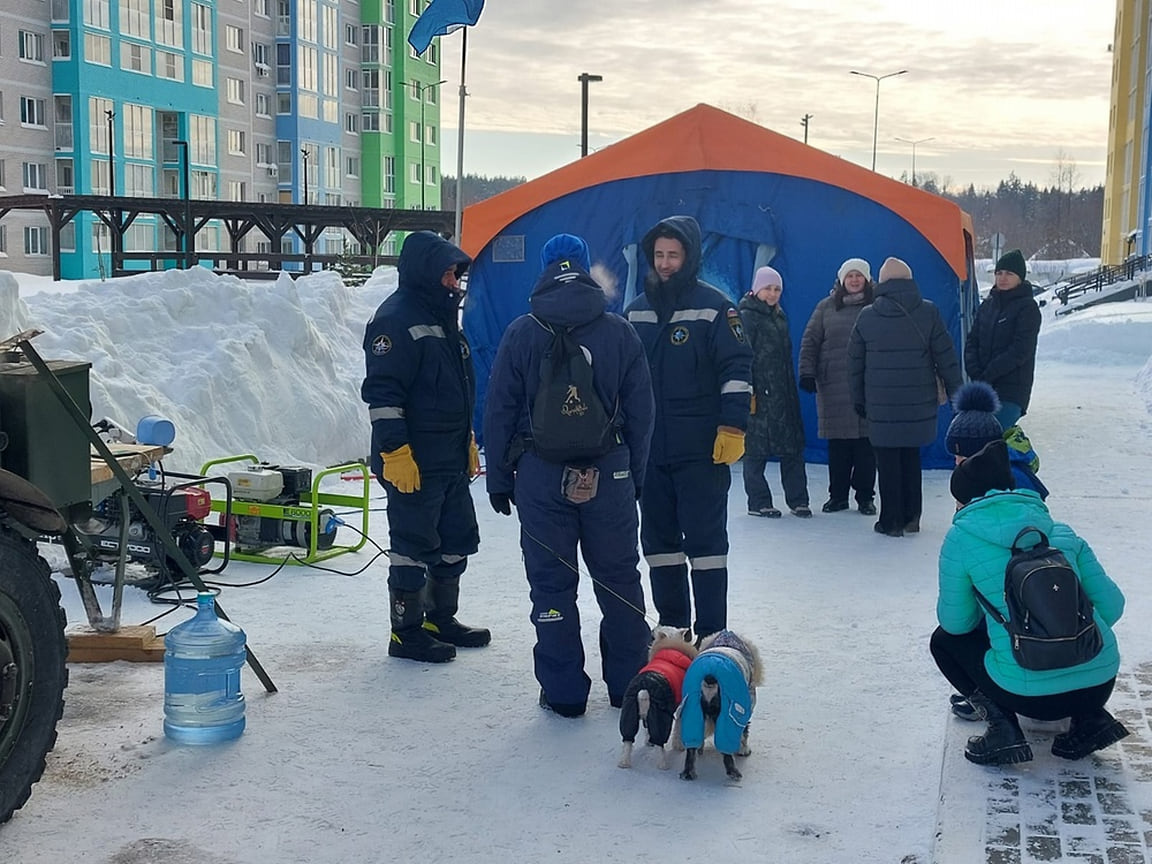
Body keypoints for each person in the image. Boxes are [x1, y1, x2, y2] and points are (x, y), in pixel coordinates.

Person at [483, 233, 655, 717]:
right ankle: (629, 687)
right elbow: (643, 413)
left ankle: (563, 693)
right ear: (585, 269)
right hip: (610, 473)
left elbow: (498, 409)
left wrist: (500, 476)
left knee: (551, 586)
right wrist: (633, 476)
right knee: (620, 580)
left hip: (540, 476)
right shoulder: (619, 331)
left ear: (543, 270)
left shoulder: (521, 331)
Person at [930, 440, 1128, 766]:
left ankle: (1003, 728)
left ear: (964, 499)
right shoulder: (1060, 531)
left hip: (1028, 697)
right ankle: (1091, 720)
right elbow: (1112, 606)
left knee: (943, 641)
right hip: (1099, 684)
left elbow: (956, 624)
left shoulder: (962, 539)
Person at [361, 231, 490, 663]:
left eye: (457, 274)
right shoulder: (395, 321)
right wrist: (395, 452)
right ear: (427, 272)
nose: (456, 281)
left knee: (456, 540)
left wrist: (467, 438)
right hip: (413, 462)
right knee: (412, 546)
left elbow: (455, 389)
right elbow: (383, 395)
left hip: (449, 458)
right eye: (451, 273)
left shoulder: (442, 320)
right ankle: (407, 631)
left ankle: (440, 617)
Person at [625, 215, 752, 641]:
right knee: (659, 545)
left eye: (673, 255)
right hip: (650, 453)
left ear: (690, 256)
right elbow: (621, 378)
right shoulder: (636, 311)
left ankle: (714, 635)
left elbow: (736, 369)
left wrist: (732, 426)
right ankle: (673, 632)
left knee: (706, 544)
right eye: (659, 255)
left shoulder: (716, 307)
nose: (664, 263)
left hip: (702, 449)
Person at [848, 257, 962, 537]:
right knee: (911, 457)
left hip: (880, 403)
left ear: (882, 283)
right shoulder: (929, 312)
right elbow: (946, 357)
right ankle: (912, 517)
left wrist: (858, 399)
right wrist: (958, 394)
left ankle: (891, 521)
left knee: (886, 461)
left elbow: (854, 364)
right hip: (918, 403)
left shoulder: (867, 316)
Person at [798, 257, 877, 515]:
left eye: (859, 276)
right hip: (833, 387)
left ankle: (865, 497)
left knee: (867, 448)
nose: (854, 280)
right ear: (842, 280)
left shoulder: (877, 306)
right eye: (849, 276)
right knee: (839, 448)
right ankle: (838, 496)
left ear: (867, 279)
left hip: (869, 386)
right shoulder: (826, 307)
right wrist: (807, 373)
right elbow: (810, 341)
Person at [738, 266, 810, 518]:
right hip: (759, 394)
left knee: (792, 448)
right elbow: (742, 356)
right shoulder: (746, 317)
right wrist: (749, 390)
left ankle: (798, 499)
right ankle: (758, 501)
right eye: (768, 288)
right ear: (757, 289)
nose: (772, 293)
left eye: (777, 289)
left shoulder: (779, 318)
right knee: (756, 450)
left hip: (783, 394)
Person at [964, 249, 1042, 430]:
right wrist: (974, 370)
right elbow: (972, 341)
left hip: (1010, 390)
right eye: (999, 273)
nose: (1003, 278)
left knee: (990, 436)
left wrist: (989, 373)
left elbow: (1020, 350)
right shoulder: (987, 305)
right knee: (975, 441)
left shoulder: (1027, 308)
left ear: (1020, 277)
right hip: (982, 386)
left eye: (1009, 273)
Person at [945, 380, 1048, 499]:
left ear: (983, 452)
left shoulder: (1013, 478)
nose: (957, 462)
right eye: (956, 456)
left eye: (963, 456)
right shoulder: (976, 476)